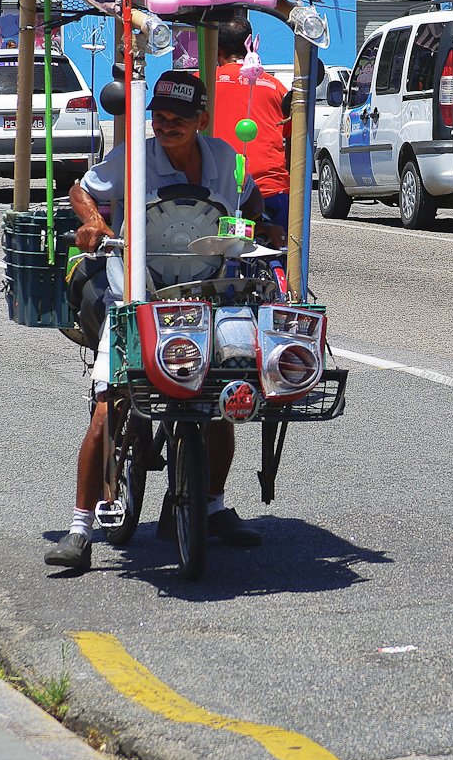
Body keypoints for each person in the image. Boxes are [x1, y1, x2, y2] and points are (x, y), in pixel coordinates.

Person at [44, 70, 285, 572]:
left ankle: (213, 505)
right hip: (136, 289)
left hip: (207, 287)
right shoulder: (135, 154)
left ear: (201, 119)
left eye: (179, 118)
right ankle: (80, 527)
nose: (166, 125)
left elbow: (250, 196)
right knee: (109, 405)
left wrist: (260, 221)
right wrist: (93, 221)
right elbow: (81, 189)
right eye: (159, 116)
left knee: (223, 395)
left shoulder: (222, 157)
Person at [212, 17, 293, 230]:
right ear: (251, 46)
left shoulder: (203, 82)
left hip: (221, 192)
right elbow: (292, 139)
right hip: (273, 191)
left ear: (218, 50)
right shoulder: (275, 87)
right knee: (278, 256)